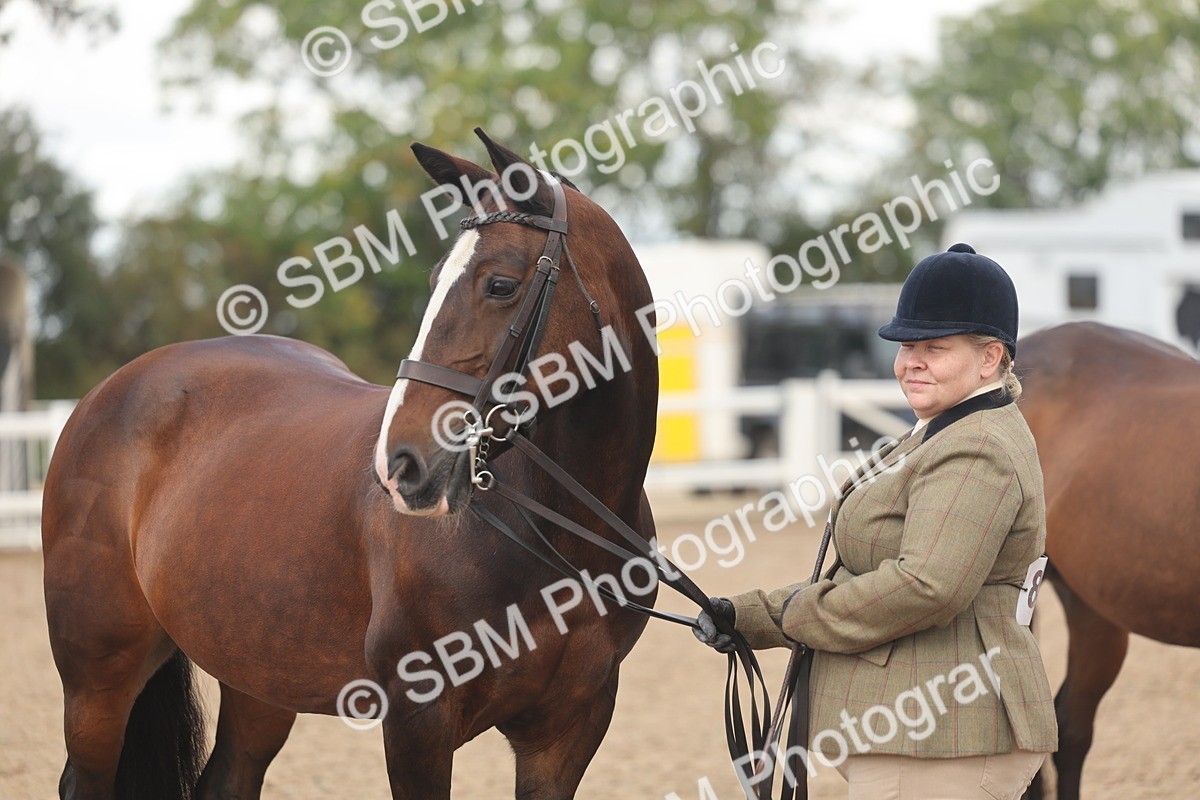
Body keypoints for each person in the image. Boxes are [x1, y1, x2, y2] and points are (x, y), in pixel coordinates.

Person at [694, 243, 1057, 800]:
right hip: (920, 732)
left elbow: (924, 585)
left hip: (946, 734)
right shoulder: (936, 430)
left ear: (990, 358)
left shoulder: (976, 446)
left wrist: (792, 618)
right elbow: (871, 570)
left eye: (934, 347)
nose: (911, 361)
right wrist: (749, 616)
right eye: (906, 345)